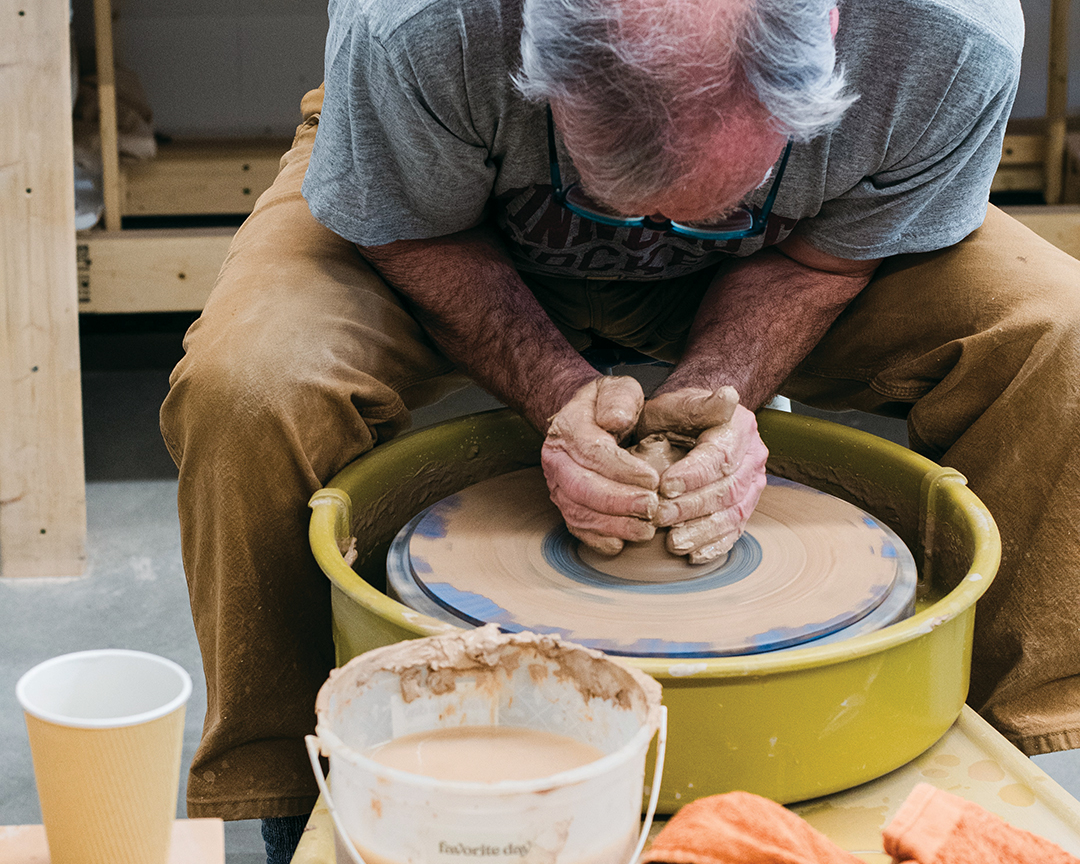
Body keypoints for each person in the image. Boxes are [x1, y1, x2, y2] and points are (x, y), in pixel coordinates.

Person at [160, 0, 1080, 860]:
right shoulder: (421, 28)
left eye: (703, 198)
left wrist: (719, 390)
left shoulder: (944, 41)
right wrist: (557, 390)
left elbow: (821, 264)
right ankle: (297, 794)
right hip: (456, 226)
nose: (657, 232)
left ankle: (986, 793)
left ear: (831, 40)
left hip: (790, 247)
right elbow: (408, 233)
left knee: (1056, 341)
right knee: (249, 386)